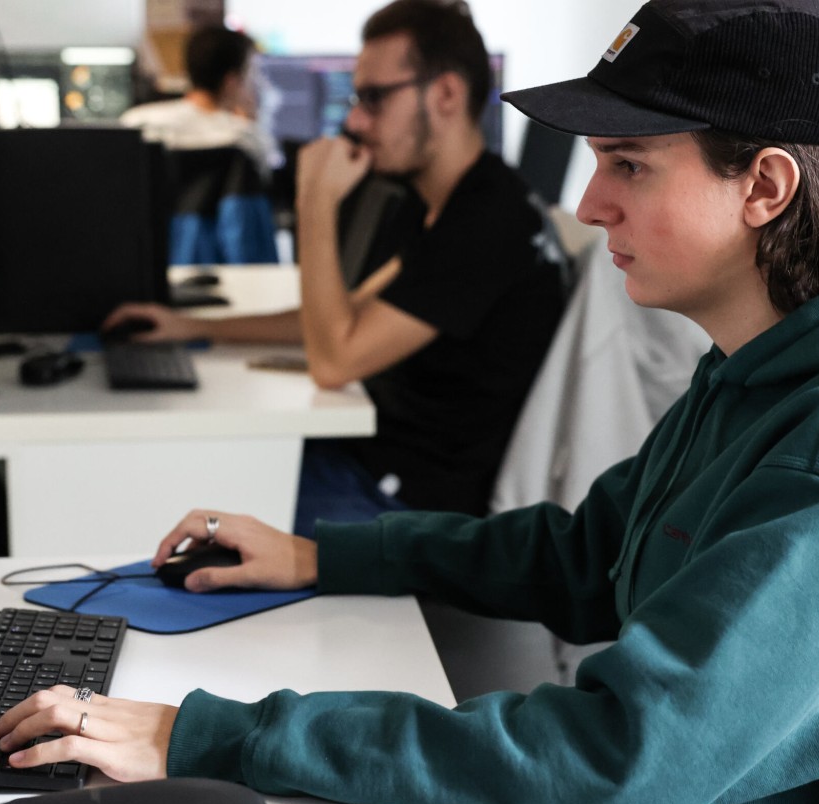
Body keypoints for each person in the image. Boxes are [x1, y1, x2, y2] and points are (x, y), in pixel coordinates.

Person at [0, 0, 819, 804]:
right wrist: (314, 555)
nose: (592, 204)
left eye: (629, 166)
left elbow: (621, 752)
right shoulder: (759, 367)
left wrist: (204, 739)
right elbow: (587, 555)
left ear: (765, 188)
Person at [106, 0, 570, 531]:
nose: (354, 119)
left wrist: (316, 203)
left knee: (172, 506)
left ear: (445, 95)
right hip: (370, 465)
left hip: (415, 506)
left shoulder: (488, 219)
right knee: (180, 478)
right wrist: (191, 328)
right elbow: (342, 318)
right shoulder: (440, 202)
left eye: (374, 98)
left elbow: (334, 360)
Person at [122, 24, 275, 180]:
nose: (257, 83)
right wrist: (252, 121)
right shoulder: (245, 139)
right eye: (252, 73)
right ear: (231, 81)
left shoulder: (136, 122)